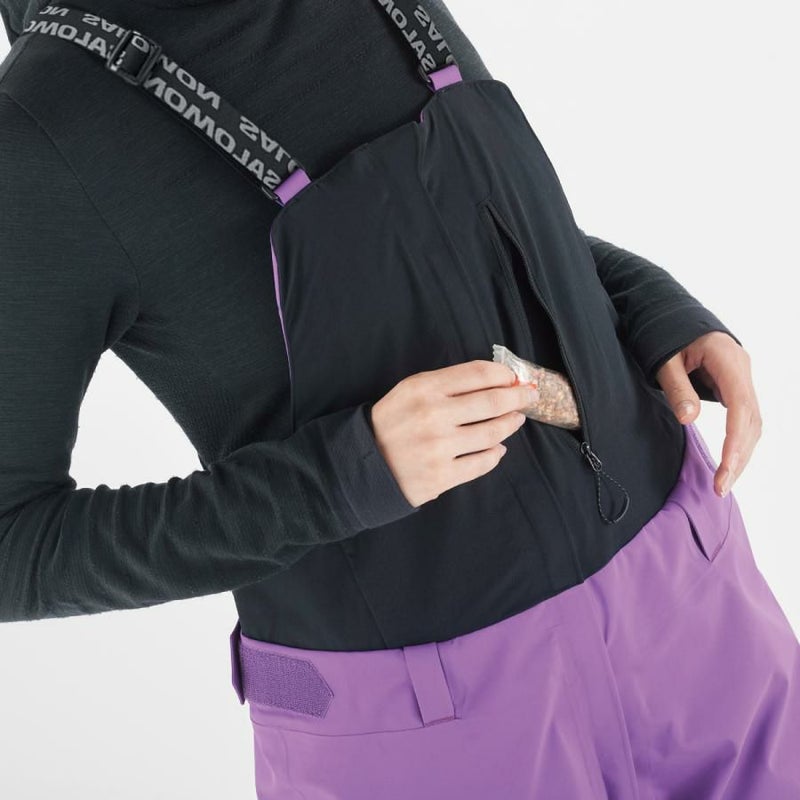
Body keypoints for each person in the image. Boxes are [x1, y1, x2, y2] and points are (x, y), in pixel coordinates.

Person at [1, 1, 796, 798]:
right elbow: (13, 546)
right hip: (423, 720)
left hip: (695, 598)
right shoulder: (42, 129)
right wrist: (340, 476)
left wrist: (652, 306)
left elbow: (464, 246)